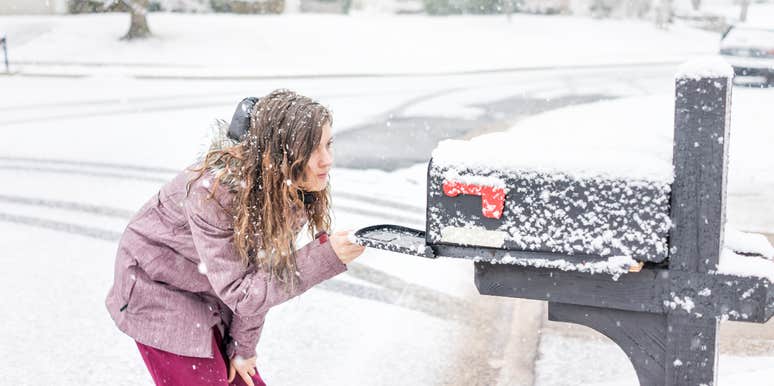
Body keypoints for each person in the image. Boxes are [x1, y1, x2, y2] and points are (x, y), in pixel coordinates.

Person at [105, 89, 366, 386]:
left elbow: (262, 274)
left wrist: (242, 348)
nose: (327, 160)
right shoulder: (212, 193)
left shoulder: (288, 190)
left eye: (328, 144)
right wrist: (325, 256)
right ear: (277, 154)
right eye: (312, 149)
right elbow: (244, 293)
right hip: (157, 288)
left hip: (211, 289)